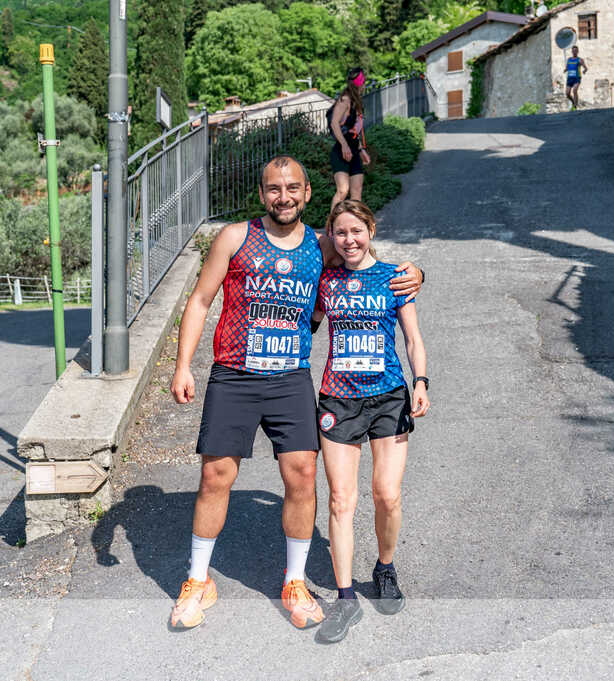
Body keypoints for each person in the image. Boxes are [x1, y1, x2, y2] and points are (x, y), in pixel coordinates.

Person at [168, 156, 424, 631]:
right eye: (273, 188)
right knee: (216, 475)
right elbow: (201, 300)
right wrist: (183, 366)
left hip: (290, 379)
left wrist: (416, 273)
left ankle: (295, 582)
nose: (282, 197)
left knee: (303, 476)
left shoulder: (321, 244)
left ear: (307, 193)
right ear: (261, 193)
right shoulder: (234, 237)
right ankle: (197, 580)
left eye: (292, 188)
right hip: (235, 375)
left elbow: (364, 257)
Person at [311, 200, 430, 644]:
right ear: (331, 236)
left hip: (388, 397)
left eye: (356, 231)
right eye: (340, 233)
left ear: (371, 230)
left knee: (387, 495)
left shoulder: (395, 277)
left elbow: (413, 339)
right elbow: (308, 325)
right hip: (338, 399)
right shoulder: (325, 280)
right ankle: (345, 600)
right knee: (341, 500)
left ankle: (385, 568)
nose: (350, 240)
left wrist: (421, 381)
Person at [329, 67, 371, 211]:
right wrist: (344, 146)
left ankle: (354, 221)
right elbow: (334, 123)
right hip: (341, 151)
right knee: (342, 191)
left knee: (357, 192)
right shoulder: (345, 100)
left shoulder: (355, 101)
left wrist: (361, 149)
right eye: (363, 82)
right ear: (359, 84)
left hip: (354, 150)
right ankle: (331, 223)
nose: (365, 85)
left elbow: (353, 132)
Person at [564, 45, 587, 110]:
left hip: (577, 78)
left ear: (577, 51)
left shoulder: (580, 60)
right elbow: (567, 67)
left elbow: (585, 68)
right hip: (569, 78)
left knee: (574, 90)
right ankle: (573, 102)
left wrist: (584, 71)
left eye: (576, 51)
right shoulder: (569, 59)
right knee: (567, 93)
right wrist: (565, 70)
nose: (574, 52)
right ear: (572, 51)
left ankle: (575, 106)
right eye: (573, 51)